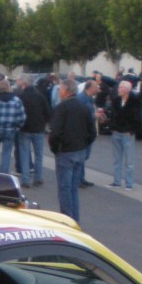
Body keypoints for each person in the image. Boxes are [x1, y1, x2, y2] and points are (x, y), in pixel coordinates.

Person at [49, 78, 95, 222]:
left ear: (65, 90)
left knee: (64, 189)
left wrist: (55, 148)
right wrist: (84, 144)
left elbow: (55, 133)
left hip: (66, 152)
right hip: (79, 151)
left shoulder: (61, 108)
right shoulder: (84, 107)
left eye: (60, 90)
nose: (59, 92)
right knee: (73, 189)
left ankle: (67, 220)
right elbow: (92, 132)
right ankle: (75, 219)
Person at [0, 79, 26, 179]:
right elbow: (22, 117)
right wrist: (17, 126)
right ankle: (3, 176)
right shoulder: (16, 100)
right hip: (10, 130)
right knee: (7, 153)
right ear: (8, 87)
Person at [110, 80, 142, 190]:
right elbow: (113, 115)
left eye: (121, 88)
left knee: (129, 161)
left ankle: (129, 184)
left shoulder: (135, 101)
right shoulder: (116, 100)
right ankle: (117, 182)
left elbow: (138, 117)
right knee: (117, 159)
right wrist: (113, 127)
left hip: (127, 133)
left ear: (127, 89)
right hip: (117, 131)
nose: (118, 90)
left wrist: (132, 130)